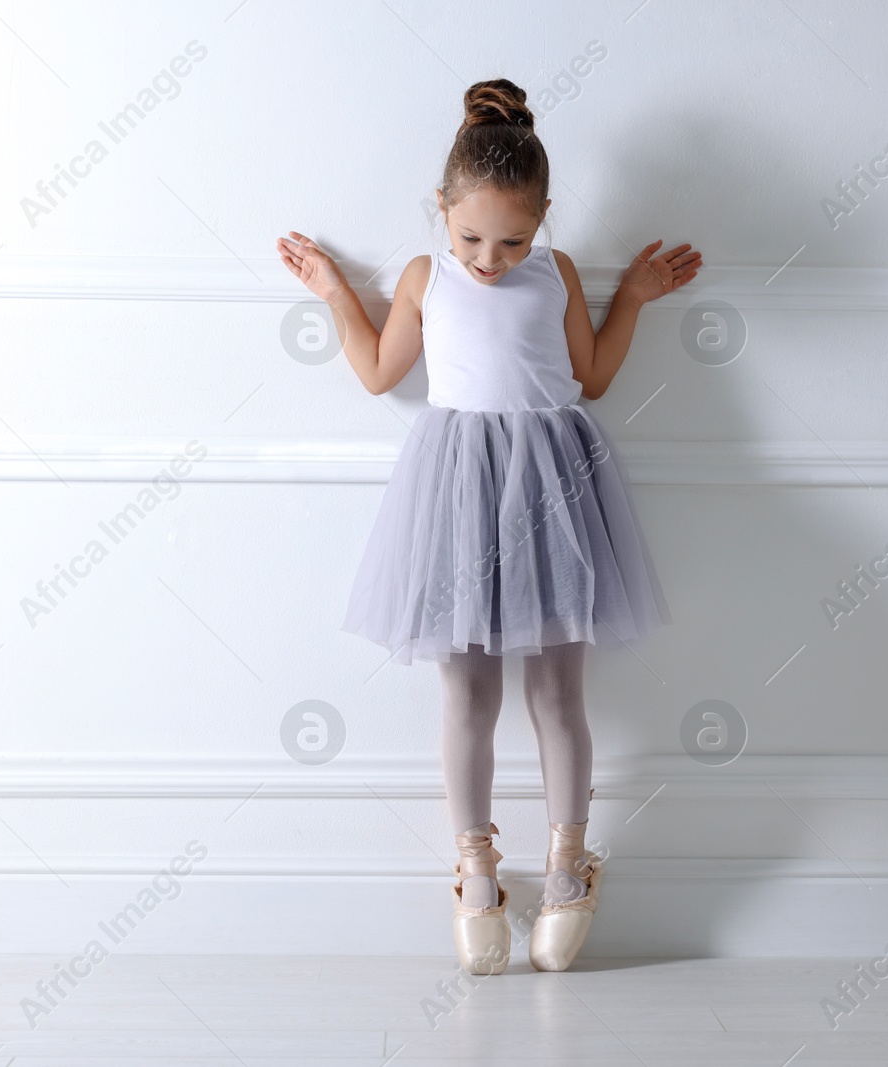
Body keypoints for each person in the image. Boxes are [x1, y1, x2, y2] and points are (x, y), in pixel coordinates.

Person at [275, 77, 699, 974]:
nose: (491, 258)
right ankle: (475, 868)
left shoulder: (558, 274)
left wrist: (629, 299)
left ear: (544, 220)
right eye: (471, 236)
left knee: (556, 694)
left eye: (514, 239)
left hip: (554, 490)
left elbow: (590, 379)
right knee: (466, 692)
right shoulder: (429, 277)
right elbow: (382, 374)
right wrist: (333, 292)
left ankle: (568, 861)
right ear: (441, 212)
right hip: (459, 492)